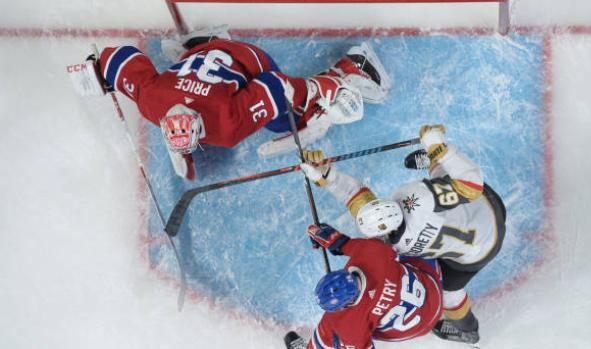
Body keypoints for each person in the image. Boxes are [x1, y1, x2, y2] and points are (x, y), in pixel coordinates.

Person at [67, 25, 391, 181]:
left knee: (284, 119)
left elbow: (275, 86)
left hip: (249, 59)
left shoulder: (226, 126)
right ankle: (206, 43)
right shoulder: (152, 101)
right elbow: (121, 58)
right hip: (203, 59)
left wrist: (318, 90)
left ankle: (352, 68)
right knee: (217, 79)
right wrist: (100, 68)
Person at [299, 124, 507, 345]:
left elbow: (357, 199)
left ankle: (469, 332)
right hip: (485, 218)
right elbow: (471, 186)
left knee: (451, 295)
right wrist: (441, 149)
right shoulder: (414, 201)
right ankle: (435, 157)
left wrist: (328, 177)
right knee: (441, 176)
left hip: (474, 246)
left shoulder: (388, 249)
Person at [284, 222, 443, 349]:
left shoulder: (347, 323)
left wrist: (347, 343)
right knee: (412, 240)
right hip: (434, 292)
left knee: (330, 326)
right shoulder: (372, 252)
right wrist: (329, 237)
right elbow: (343, 243)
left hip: (416, 328)